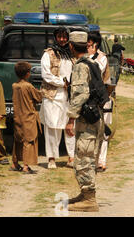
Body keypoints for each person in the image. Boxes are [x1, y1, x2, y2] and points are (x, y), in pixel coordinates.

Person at [65, 31, 105, 212]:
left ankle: (89, 199)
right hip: (94, 116)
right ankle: (84, 194)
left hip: (87, 120)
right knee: (86, 156)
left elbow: (81, 94)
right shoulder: (93, 62)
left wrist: (70, 119)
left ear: (71, 46)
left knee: (83, 158)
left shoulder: (81, 66)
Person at [39, 27, 75, 169]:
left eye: (65, 37)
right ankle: (51, 158)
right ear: (55, 37)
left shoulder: (72, 54)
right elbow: (46, 75)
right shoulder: (48, 54)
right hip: (52, 96)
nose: (62, 39)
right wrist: (63, 83)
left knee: (71, 126)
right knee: (52, 126)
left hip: (70, 96)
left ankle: (71, 157)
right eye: (59, 37)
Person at [11, 62, 42, 174]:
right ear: (27, 73)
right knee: (29, 141)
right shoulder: (28, 86)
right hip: (28, 117)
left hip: (18, 117)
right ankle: (26, 166)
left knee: (18, 140)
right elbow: (38, 97)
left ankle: (15, 163)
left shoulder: (14, 86)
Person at [87, 33, 112, 173]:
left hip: (102, 99)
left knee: (104, 132)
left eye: (89, 43)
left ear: (95, 44)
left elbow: (97, 71)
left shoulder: (101, 58)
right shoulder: (84, 57)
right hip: (89, 100)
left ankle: (101, 161)